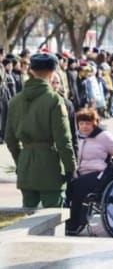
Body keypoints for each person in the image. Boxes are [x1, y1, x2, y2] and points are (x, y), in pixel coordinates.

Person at [5, 53, 77, 208]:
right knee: (53, 219)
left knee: (28, 218)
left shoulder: (15, 101)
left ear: (31, 70)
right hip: (50, 166)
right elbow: (64, 140)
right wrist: (71, 169)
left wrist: (21, 159)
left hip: (26, 165)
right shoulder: (54, 100)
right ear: (52, 73)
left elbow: (9, 138)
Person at [66, 108, 113, 235]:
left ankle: (75, 222)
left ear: (94, 123)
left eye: (88, 123)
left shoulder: (103, 137)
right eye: (81, 123)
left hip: (99, 174)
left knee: (76, 186)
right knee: (66, 185)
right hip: (80, 173)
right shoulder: (76, 137)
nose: (84, 127)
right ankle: (66, 219)